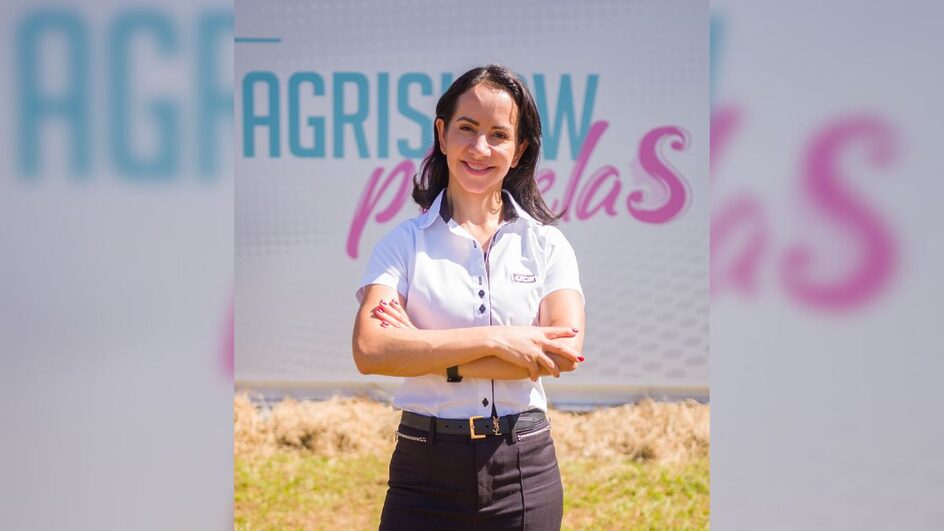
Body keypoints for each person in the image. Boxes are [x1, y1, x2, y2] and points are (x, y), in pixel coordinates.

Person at [352, 64, 586, 530]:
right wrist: (503, 341)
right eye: (467, 129)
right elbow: (371, 349)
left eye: (499, 135)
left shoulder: (547, 245)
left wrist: (422, 350)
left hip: (524, 467)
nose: (480, 148)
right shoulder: (403, 244)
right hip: (424, 469)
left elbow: (562, 352)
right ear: (442, 135)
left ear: (519, 150)